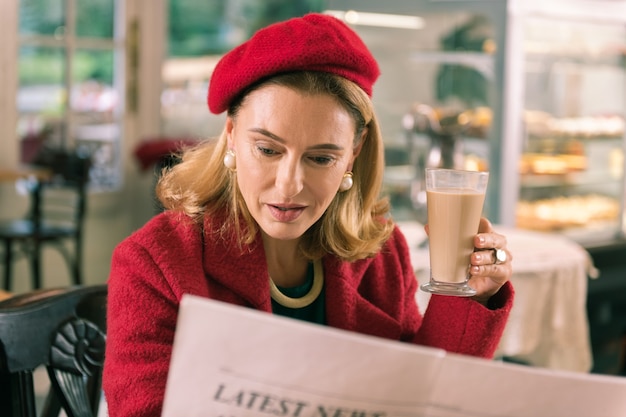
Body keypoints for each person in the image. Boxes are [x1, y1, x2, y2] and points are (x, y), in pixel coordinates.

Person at [103, 13, 514, 417]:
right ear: (231, 135)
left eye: (320, 158)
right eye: (267, 150)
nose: (288, 186)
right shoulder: (155, 261)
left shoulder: (382, 251)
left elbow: (425, 394)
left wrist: (473, 294)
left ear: (353, 152)